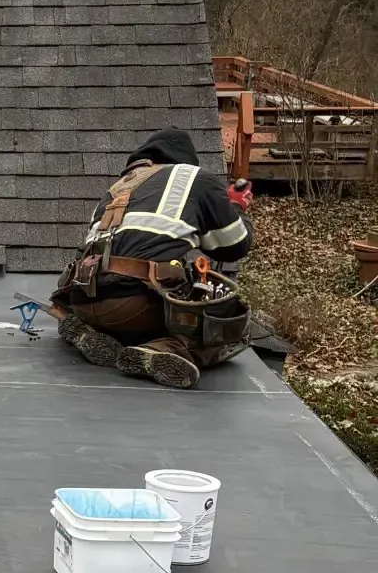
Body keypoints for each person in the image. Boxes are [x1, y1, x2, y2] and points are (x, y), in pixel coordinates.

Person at [51, 127, 252, 388]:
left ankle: (89, 332)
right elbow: (234, 247)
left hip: (83, 302)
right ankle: (165, 349)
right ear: (185, 158)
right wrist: (237, 206)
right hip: (136, 305)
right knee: (223, 329)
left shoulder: (116, 189)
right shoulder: (194, 178)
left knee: (120, 299)